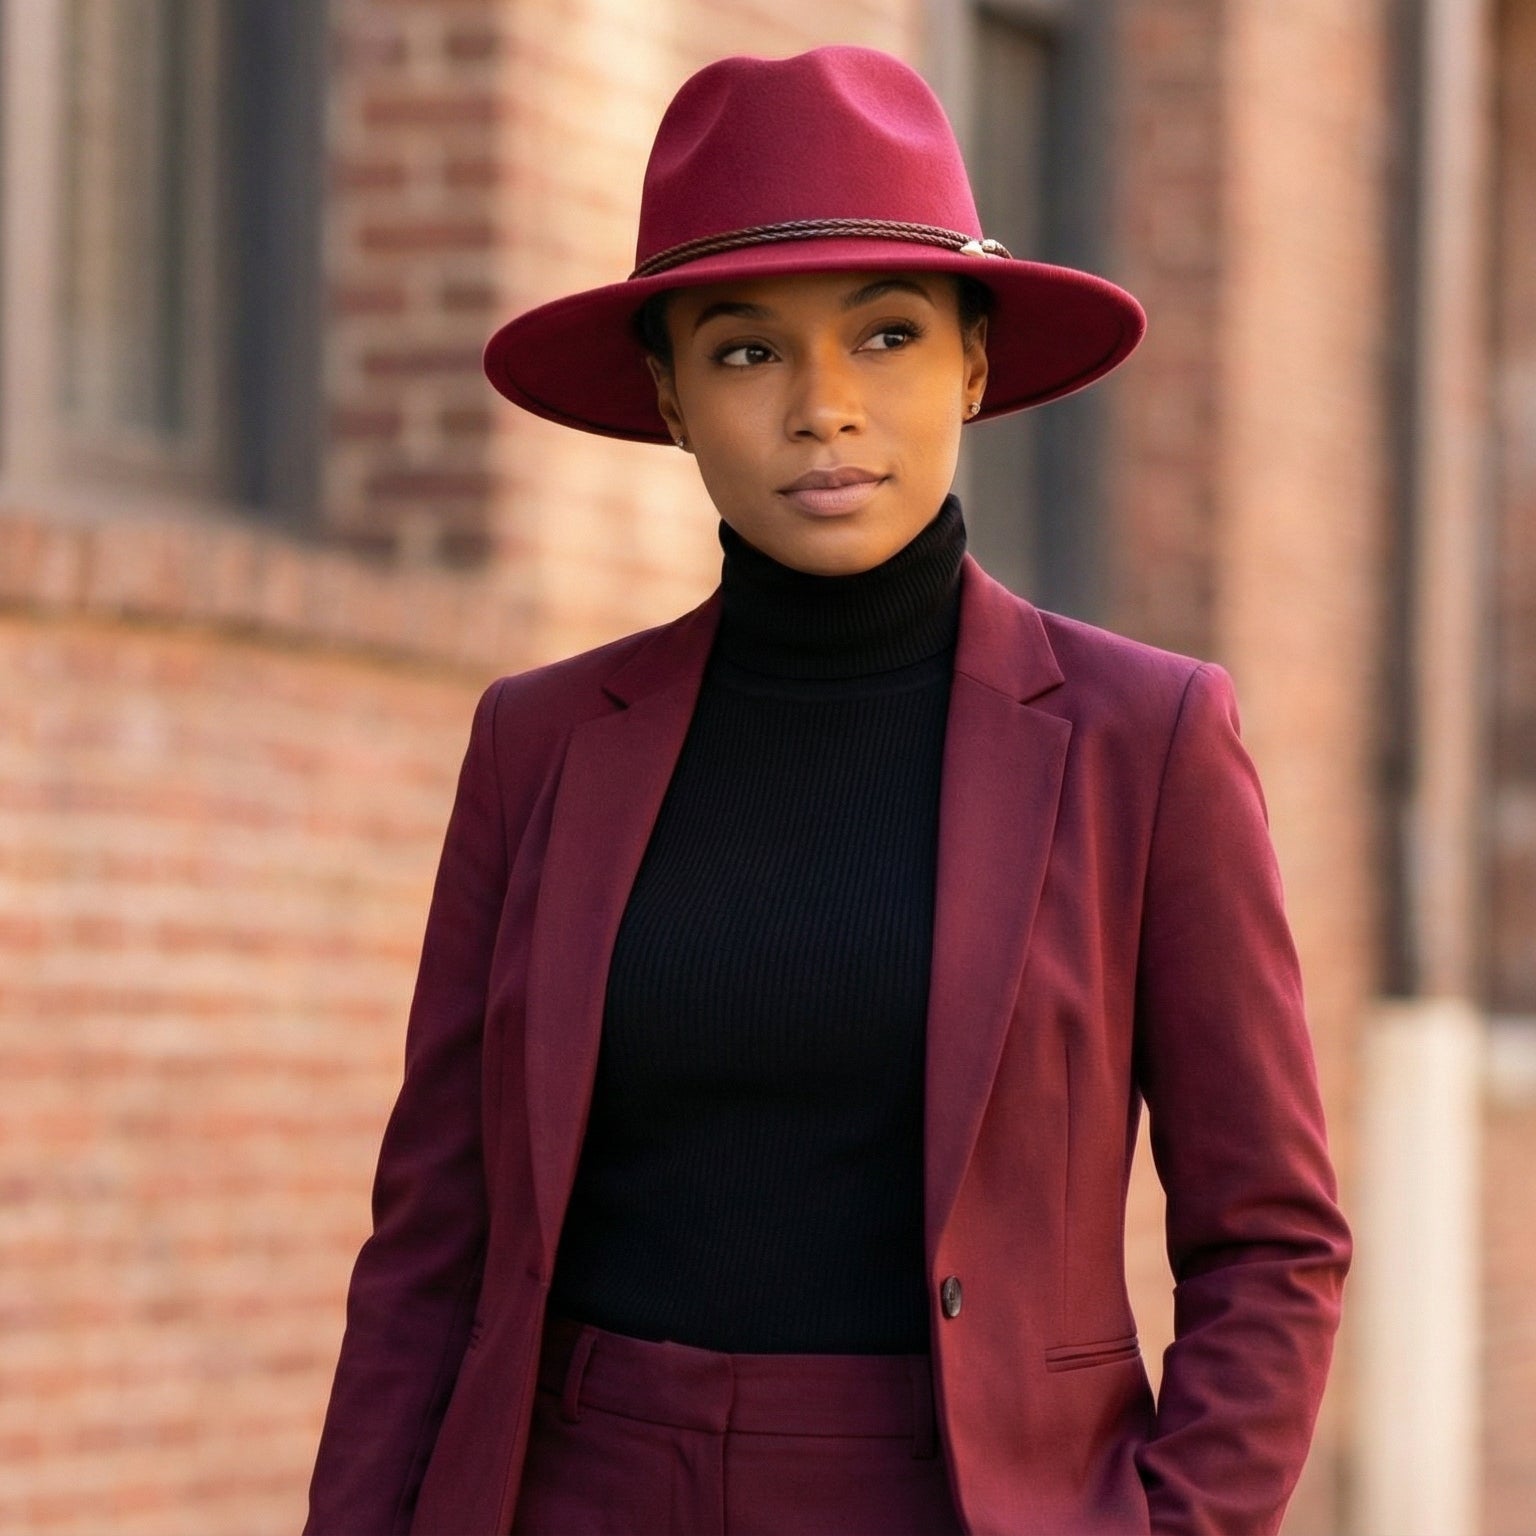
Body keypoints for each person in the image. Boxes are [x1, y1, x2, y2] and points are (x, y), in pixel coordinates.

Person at [304, 44, 1350, 1536]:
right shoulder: (540, 743)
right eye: (744, 351)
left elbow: (1272, 1241)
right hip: (577, 1491)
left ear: (974, 365)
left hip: (963, 1498)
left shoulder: (1147, 739)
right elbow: (430, 1248)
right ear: (667, 393)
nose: (823, 407)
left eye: (886, 336)